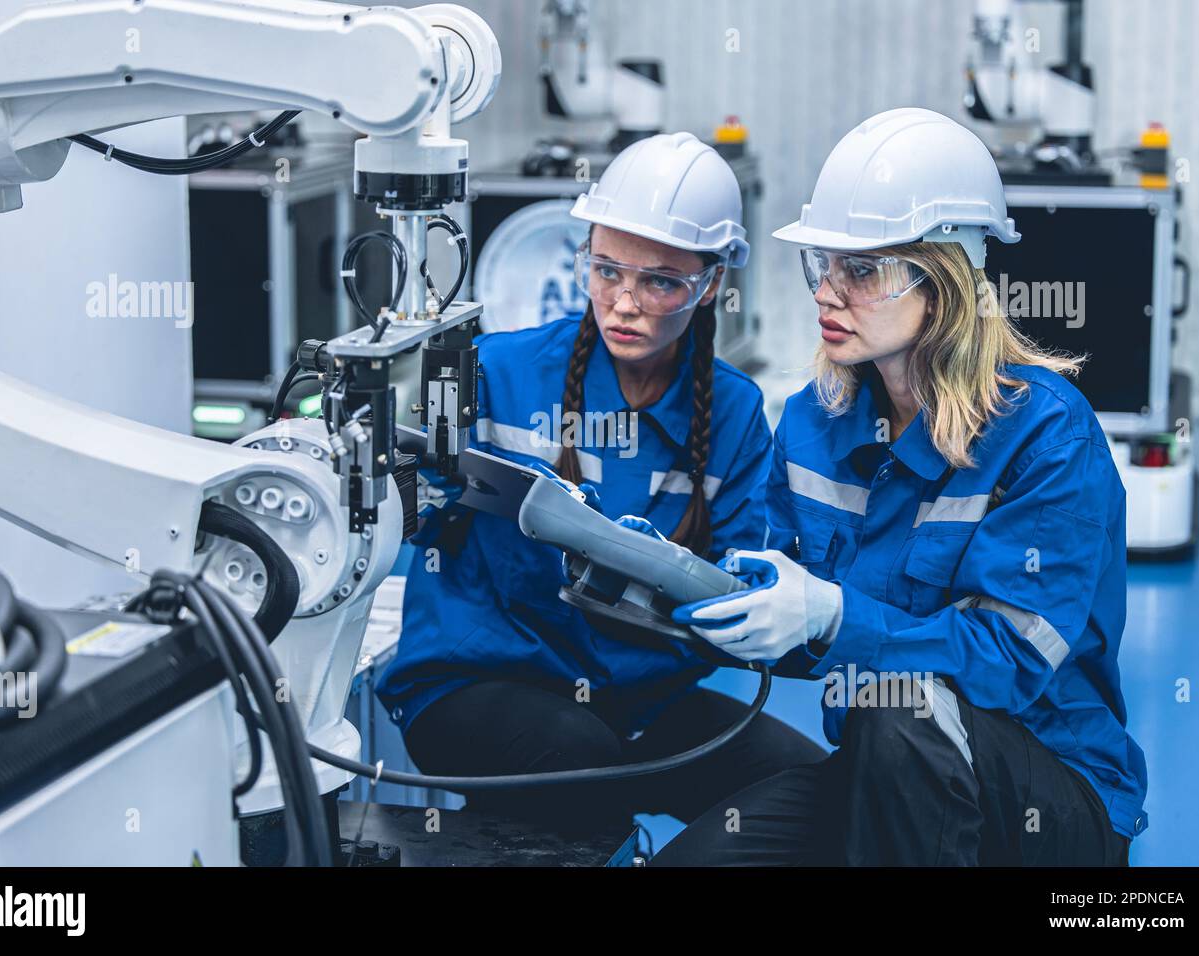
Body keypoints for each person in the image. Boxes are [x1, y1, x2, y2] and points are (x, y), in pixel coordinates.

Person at [657, 108, 1147, 865]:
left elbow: (1006, 661)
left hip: (1047, 790)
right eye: (821, 264)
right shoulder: (816, 422)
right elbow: (798, 631)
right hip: (881, 767)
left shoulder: (1049, 436)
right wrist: (698, 593)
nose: (827, 292)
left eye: (862, 270)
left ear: (945, 284)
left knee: (904, 703)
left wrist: (830, 612)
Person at [378, 132, 824, 829]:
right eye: (606, 269)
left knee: (810, 791)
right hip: (476, 683)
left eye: (660, 281)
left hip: (637, 701)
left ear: (710, 285)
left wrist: (670, 579)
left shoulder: (734, 412)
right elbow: (406, 502)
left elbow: (737, 594)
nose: (623, 302)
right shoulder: (497, 372)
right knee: (582, 768)